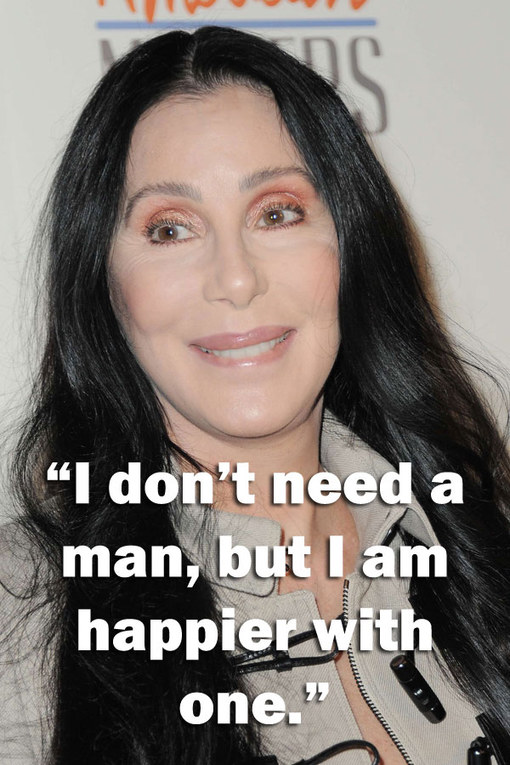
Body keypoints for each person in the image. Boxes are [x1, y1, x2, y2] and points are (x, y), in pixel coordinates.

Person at [1, 25, 509, 765]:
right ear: (103, 285)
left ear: (352, 246)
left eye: (276, 213)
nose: (236, 279)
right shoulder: (25, 609)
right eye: (170, 229)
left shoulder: (475, 547)